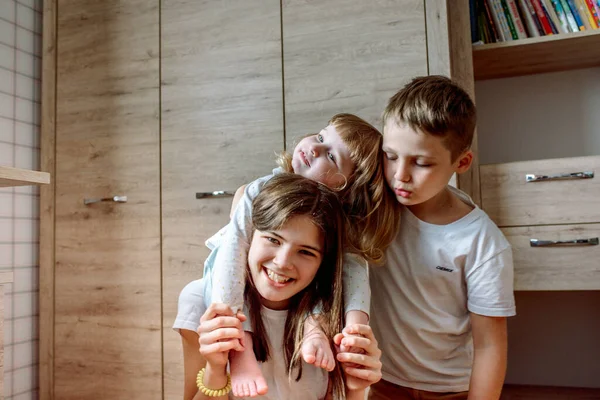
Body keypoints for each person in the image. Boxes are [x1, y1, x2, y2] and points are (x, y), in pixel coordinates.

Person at [208, 114, 399, 396]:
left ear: (346, 185)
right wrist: (232, 332)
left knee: (330, 277)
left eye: (332, 157)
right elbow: (232, 253)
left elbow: (355, 269)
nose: (314, 148)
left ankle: (314, 328)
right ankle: (241, 350)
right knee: (233, 276)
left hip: (296, 301)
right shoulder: (260, 190)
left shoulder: (335, 218)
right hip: (231, 279)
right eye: (321, 138)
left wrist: (355, 330)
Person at [368, 76, 516, 400]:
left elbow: (490, 345)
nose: (400, 175)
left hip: (451, 390)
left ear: (461, 162)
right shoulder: (378, 203)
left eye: (420, 163)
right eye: (390, 156)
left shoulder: (482, 243)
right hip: (381, 381)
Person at [174, 174, 384, 400]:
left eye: (305, 252)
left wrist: (355, 390)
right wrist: (216, 369)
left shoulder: (337, 310)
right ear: (248, 236)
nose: (282, 262)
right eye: (273, 240)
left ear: (323, 263)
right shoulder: (199, 300)